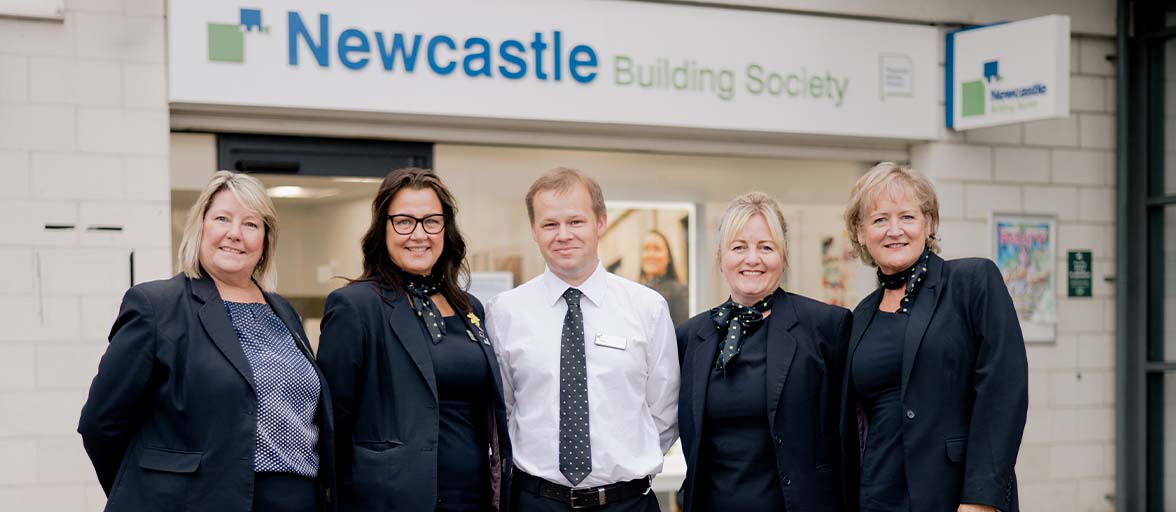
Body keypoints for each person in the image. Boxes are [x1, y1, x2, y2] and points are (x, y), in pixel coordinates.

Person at [78, 170, 335, 511]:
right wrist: (149, 492)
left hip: (295, 499)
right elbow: (101, 423)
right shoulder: (157, 306)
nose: (235, 234)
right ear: (200, 226)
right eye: (222, 218)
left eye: (251, 224)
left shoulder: (282, 312)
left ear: (265, 240)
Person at [315, 168, 511, 511]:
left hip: (474, 499)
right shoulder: (356, 306)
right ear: (383, 228)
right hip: (390, 501)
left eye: (431, 221)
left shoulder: (468, 306)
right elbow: (334, 422)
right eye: (404, 221)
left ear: (445, 229)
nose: (419, 234)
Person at [486, 167, 679, 511]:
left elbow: (664, 411)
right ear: (534, 230)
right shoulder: (505, 312)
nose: (563, 235)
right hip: (536, 503)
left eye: (576, 222)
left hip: (627, 503)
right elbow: (504, 410)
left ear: (600, 222)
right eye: (550, 224)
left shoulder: (647, 308)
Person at [840, 162, 1028, 512]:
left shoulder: (972, 282)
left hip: (954, 496)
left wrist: (980, 499)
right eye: (880, 220)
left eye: (907, 217)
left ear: (929, 223)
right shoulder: (859, 316)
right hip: (877, 496)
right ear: (861, 232)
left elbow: (1004, 391)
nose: (894, 230)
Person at [675, 192, 851, 512]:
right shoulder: (691, 337)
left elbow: (852, 434)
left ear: (783, 257)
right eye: (739, 247)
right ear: (721, 257)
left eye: (765, 247)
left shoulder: (827, 327)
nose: (752, 259)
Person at [639, 230, 689, 325]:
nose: (650, 254)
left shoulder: (679, 291)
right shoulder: (636, 291)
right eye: (646, 249)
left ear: (668, 257)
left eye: (657, 249)